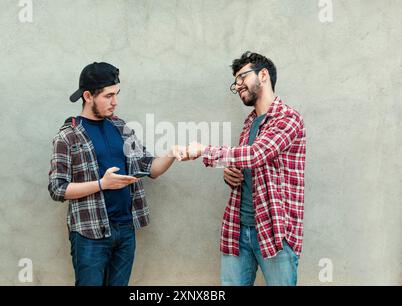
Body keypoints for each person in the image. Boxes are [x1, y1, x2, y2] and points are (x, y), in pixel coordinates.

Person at [48, 62, 184, 286]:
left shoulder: (122, 128)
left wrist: (172, 153)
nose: (115, 101)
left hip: (125, 230)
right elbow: (57, 189)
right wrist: (102, 184)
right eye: (109, 95)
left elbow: (151, 168)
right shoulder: (68, 136)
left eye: (117, 94)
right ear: (88, 96)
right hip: (89, 233)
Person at [181, 52, 306, 286]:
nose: (238, 86)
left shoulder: (288, 118)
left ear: (264, 75)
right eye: (235, 82)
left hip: (275, 230)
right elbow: (248, 163)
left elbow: (256, 154)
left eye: (242, 78)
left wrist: (203, 150)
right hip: (238, 228)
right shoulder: (250, 122)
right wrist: (231, 173)